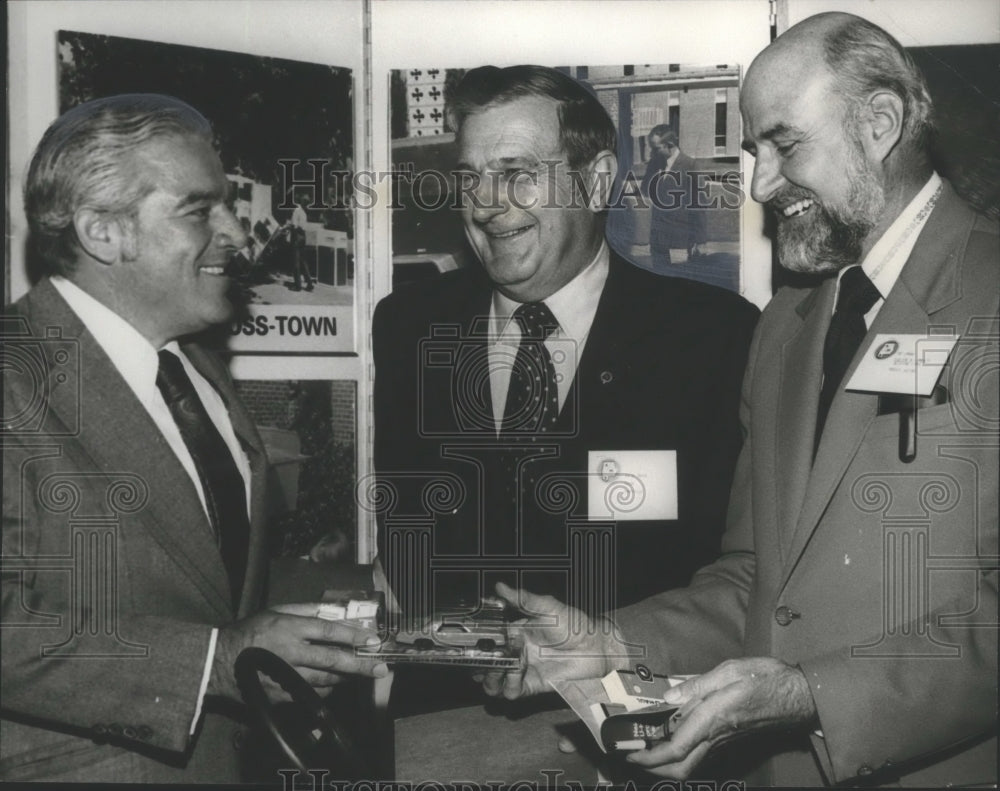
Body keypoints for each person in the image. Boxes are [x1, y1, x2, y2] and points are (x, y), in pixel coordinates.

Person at [485, 13, 998, 787]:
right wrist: (611, 642)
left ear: (882, 123)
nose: (760, 184)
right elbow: (757, 574)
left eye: (785, 146)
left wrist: (810, 695)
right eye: (755, 152)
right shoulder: (787, 326)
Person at [1, 94, 386, 783]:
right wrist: (216, 662)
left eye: (230, 206)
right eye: (199, 209)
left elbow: (209, 576)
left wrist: (376, 593)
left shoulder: (195, 363)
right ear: (103, 232)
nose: (239, 234)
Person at [373, 66, 758, 626]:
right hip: (439, 701)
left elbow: (731, 573)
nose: (483, 205)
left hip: (623, 701)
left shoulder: (712, 338)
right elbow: (405, 534)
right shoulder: (409, 326)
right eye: (469, 177)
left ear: (597, 182)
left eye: (517, 173)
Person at [640, 124, 707, 270]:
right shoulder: (655, 164)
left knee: (678, 285)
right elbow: (645, 189)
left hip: (679, 241)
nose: (652, 152)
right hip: (657, 241)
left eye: (656, 148)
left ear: (670, 145)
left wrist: (700, 240)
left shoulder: (691, 166)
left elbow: (699, 205)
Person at [287, 196, 313, 291]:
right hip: (303, 237)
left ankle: (298, 286)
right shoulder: (304, 213)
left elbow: (294, 226)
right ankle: (309, 283)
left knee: (296, 262)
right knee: (303, 261)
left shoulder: (296, 211)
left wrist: (287, 228)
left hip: (297, 237)